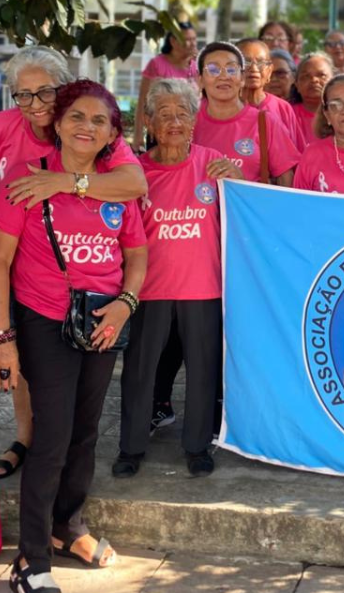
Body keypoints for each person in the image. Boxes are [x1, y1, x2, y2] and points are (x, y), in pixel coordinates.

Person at [0, 80, 147, 592]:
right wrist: (1, 338)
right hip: (45, 320)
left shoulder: (117, 185)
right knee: (52, 439)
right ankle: (31, 559)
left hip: (103, 320)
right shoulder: (26, 178)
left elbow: (137, 254)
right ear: (56, 123)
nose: (87, 127)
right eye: (76, 116)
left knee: (85, 432)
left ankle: (67, 526)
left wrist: (125, 304)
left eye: (100, 121)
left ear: (112, 135)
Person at [0, 46, 147, 481]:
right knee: (17, 360)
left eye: (46, 92)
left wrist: (66, 181)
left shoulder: (87, 130)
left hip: (68, 279)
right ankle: (25, 438)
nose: (35, 104)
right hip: (11, 258)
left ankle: (46, 454)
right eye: (23, 94)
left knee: (63, 401)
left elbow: (133, 183)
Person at [113, 78, 242, 480]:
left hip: (203, 288)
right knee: (139, 372)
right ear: (149, 121)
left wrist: (238, 176)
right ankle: (131, 447)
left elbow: (246, 213)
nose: (173, 122)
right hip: (148, 289)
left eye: (181, 114)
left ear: (194, 120)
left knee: (203, 371)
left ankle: (198, 446)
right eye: (164, 114)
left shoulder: (213, 163)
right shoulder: (135, 172)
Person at [193, 42, 298, 185]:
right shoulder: (188, 121)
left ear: (242, 78)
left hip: (250, 200)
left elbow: (287, 183)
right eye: (213, 69)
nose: (223, 76)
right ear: (200, 80)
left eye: (231, 69)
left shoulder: (265, 122)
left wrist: (241, 181)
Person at [237, 38, 307, 151]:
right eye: (246, 62)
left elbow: (297, 153)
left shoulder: (283, 108)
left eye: (261, 63)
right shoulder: (223, 106)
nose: (254, 68)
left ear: (269, 71)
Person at [136, 22, 198, 148]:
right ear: (173, 41)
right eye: (187, 40)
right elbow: (143, 101)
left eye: (194, 39)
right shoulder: (157, 64)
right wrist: (138, 133)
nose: (193, 44)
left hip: (189, 131)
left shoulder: (196, 66)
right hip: (161, 130)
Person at [288, 53, 337, 148]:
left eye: (321, 75)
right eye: (306, 76)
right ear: (296, 84)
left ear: (334, 81)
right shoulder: (287, 115)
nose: (314, 80)